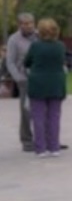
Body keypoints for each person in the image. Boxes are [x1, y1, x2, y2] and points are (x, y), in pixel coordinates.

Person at [23, 17, 67, 157]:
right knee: (54, 116)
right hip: (56, 84)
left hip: (38, 84)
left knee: (38, 116)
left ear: (39, 31)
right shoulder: (60, 46)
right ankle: (54, 147)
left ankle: (40, 148)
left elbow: (27, 62)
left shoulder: (35, 46)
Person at [6, 12, 37, 152]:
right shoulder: (14, 39)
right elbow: (10, 62)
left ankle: (47, 138)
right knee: (26, 111)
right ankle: (27, 141)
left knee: (44, 109)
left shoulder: (40, 36)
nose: (28, 26)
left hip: (40, 78)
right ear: (19, 25)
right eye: (25, 23)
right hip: (24, 79)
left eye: (30, 23)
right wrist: (18, 78)